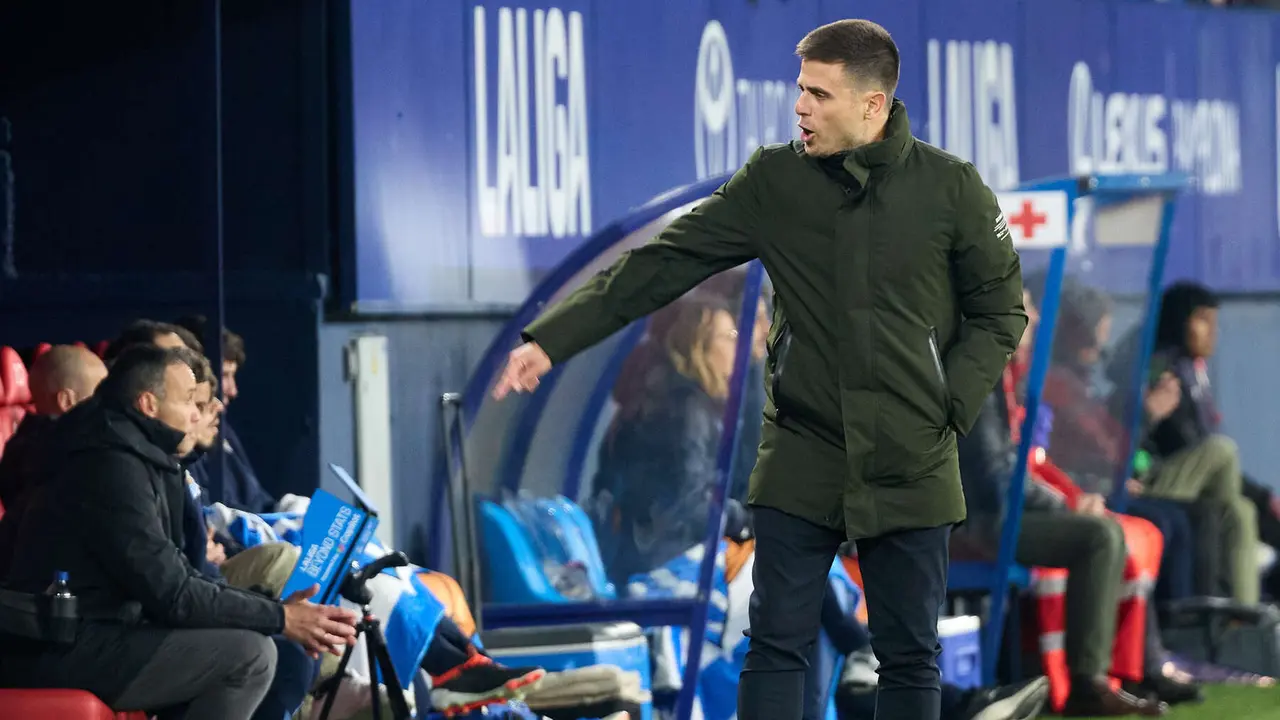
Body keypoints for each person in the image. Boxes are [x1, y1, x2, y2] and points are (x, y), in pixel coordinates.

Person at [493, 19, 1027, 720]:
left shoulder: (951, 188)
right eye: (799, 90)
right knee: (775, 642)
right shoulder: (773, 182)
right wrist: (552, 339)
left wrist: (947, 405)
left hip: (913, 452)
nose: (800, 107)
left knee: (908, 654)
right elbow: (661, 263)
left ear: (873, 106)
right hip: (804, 448)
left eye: (819, 94)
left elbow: (999, 313)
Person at [0, 344, 359, 719]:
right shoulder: (107, 466)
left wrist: (272, 612)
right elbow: (172, 593)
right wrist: (281, 617)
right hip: (57, 644)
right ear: (149, 405)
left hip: (99, 628)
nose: (197, 413)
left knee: (264, 646)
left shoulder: (140, 455)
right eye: (189, 400)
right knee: (250, 656)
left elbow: (181, 576)